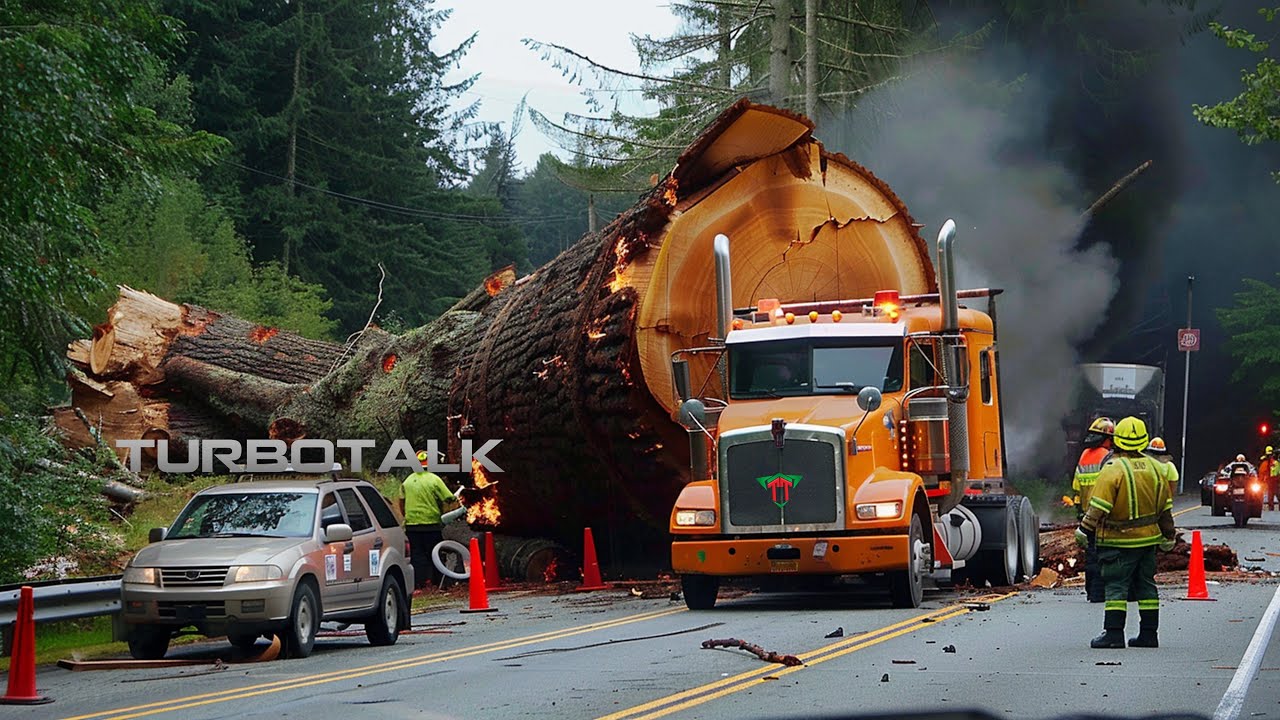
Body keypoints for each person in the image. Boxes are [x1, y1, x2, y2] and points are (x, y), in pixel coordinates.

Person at [1076, 416, 1176, 649]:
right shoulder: (1156, 468)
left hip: (1117, 541)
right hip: (1148, 540)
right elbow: (1165, 509)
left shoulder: (1113, 469)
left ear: (1117, 439)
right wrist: (1169, 535)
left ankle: (1113, 634)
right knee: (1146, 586)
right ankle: (1149, 635)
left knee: (1116, 587)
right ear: (1144, 440)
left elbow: (1098, 507)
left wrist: (1083, 530)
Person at [400, 450, 459, 592]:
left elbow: (401, 502)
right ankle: (439, 583)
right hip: (431, 525)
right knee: (435, 554)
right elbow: (449, 498)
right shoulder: (434, 480)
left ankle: (419, 585)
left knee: (417, 556)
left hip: (412, 525)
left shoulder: (407, 481)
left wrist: (407, 516)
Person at [1071, 416, 1114, 603]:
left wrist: (1080, 512)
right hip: (1103, 514)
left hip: (1087, 514)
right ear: (1107, 438)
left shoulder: (1084, 455)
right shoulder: (1107, 457)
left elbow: (1076, 486)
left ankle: (1091, 592)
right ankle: (1100, 593)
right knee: (1104, 555)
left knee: (1091, 555)